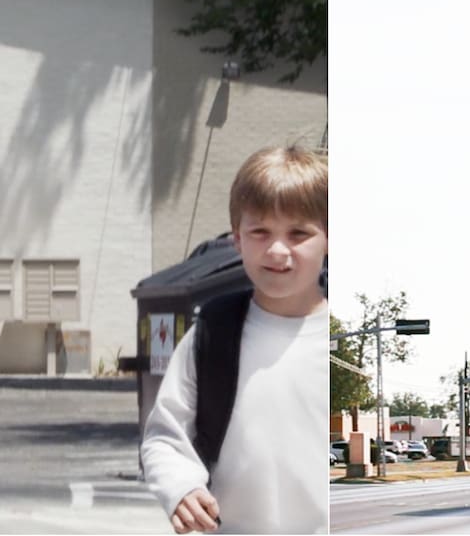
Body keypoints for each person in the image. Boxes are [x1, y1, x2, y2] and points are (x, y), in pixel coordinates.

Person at [140, 146, 329, 534]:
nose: (277, 250)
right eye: (260, 231)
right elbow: (164, 435)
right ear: (237, 239)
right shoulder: (213, 332)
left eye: (298, 233)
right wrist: (181, 487)